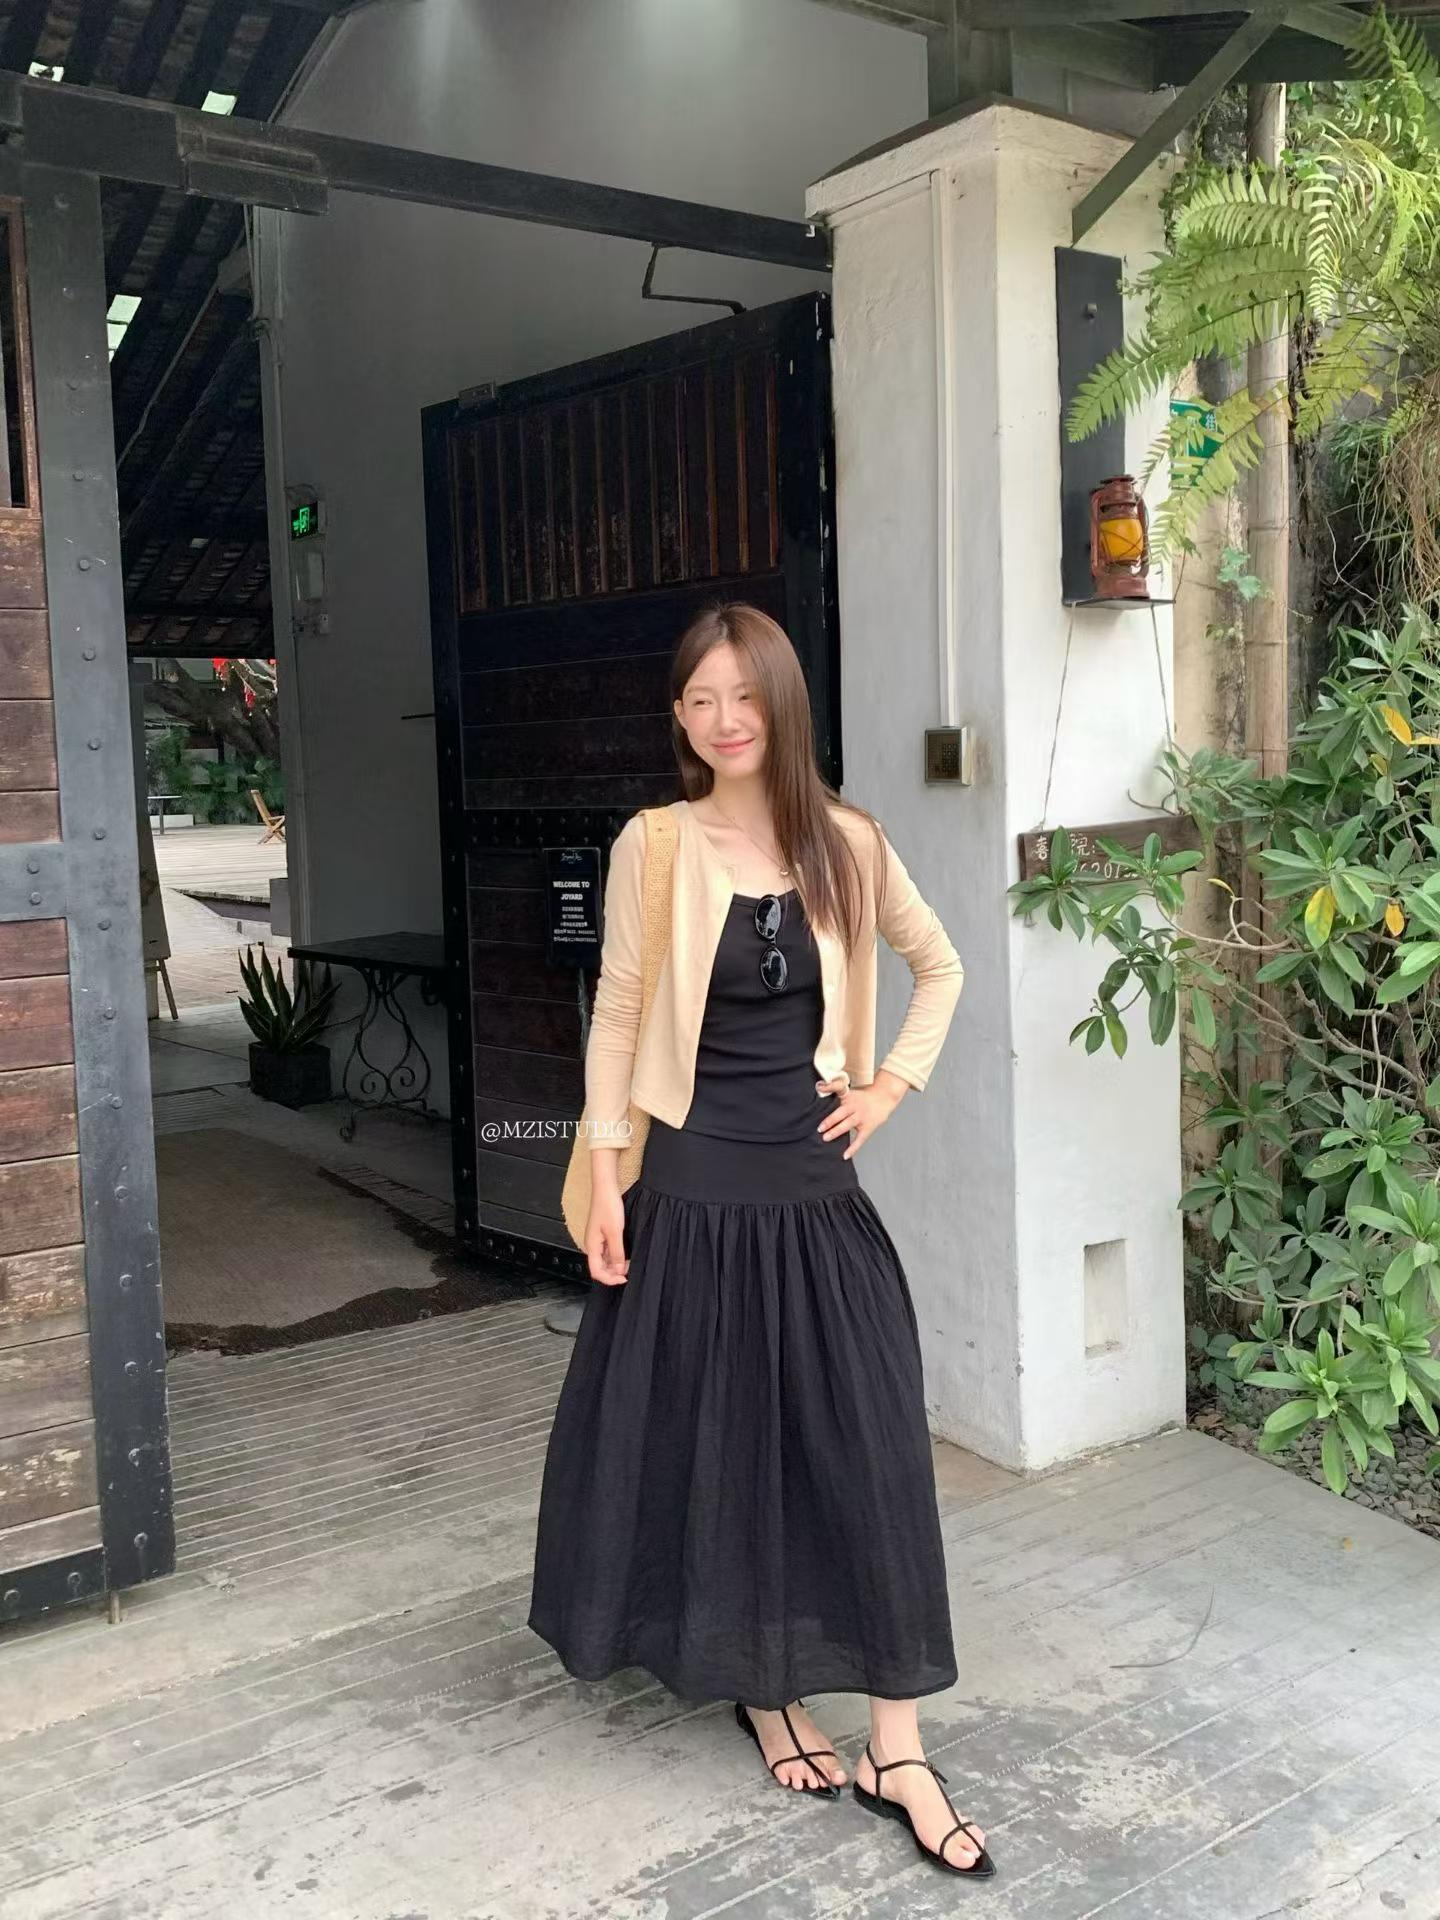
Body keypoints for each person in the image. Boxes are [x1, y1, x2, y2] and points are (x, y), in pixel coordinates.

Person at [527, 603, 993, 1880]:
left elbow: (942, 966)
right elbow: (619, 1010)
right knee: (725, 1447)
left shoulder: (851, 842)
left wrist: (889, 1086)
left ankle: (899, 1749)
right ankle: (767, 1693)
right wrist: (607, 1171)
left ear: (784, 702)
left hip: (814, 1191)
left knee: (867, 1448)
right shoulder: (656, 844)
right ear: (679, 718)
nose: (724, 720)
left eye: (743, 695)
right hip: (687, 1192)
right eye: (699, 700)